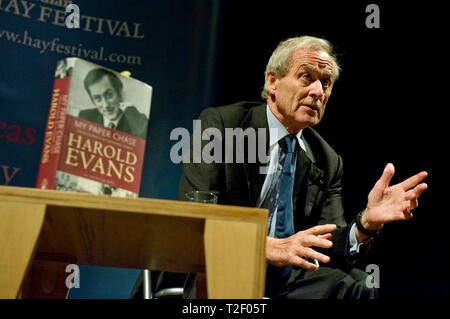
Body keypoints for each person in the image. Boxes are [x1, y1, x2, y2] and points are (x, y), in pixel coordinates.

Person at [131, 35, 428, 299]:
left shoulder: (327, 159)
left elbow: (327, 244)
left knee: (359, 286)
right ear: (272, 82)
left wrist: (365, 224)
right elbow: (196, 219)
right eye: (306, 77)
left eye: (326, 83)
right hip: (220, 263)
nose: (317, 91)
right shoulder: (222, 127)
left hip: (286, 276)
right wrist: (268, 247)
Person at [79, 68, 148, 139]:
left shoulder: (136, 122)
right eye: (98, 98)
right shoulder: (85, 117)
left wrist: (127, 106)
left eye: (109, 95)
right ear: (93, 101)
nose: (106, 105)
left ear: (119, 93)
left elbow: (142, 137)